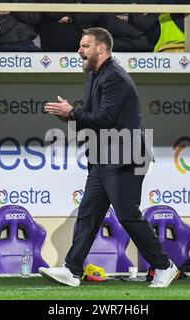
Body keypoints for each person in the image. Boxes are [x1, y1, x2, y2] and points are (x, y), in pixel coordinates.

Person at [39, 27, 179, 288]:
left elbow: (105, 119)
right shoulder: (94, 76)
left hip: (124, 158)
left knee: (127, 216)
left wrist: (72, 113)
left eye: (85, 46)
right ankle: (72, 269)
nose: (79, 51)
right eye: (80, 46)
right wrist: (70, 115)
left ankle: (164, 266)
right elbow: (93, 118)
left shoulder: (115, 77)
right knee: (89, 214)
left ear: (101, 49)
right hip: (103, 158)